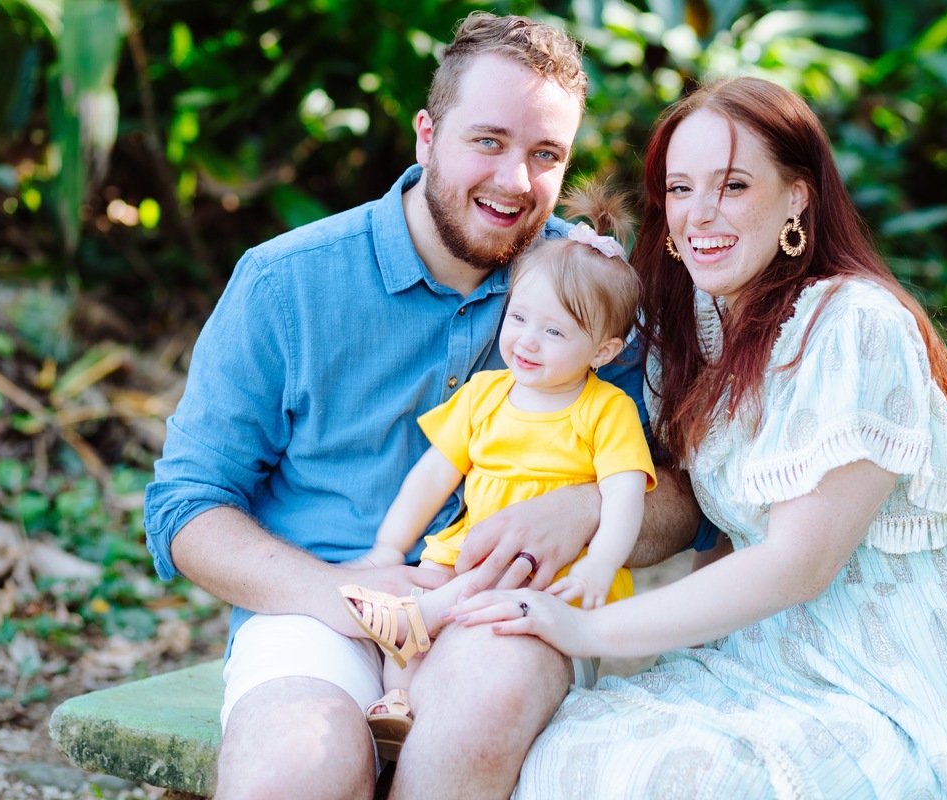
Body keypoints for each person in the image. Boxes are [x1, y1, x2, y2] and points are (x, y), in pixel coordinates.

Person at [142, 12, 703, 800]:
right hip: (318, 606)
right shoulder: (285, 283)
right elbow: (187, 506)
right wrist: (348, 596)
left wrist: (585, 510)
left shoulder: (592, 290)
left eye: (546, 155)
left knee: (480, 712)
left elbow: (688, 499)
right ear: (427, 137)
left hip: (507, 613)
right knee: (297, 767)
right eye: (488, 141)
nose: (516, 181)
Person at [450, 76, 947, 798]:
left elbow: (798, 563)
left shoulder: (855, 324)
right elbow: (724, 530)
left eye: (733, 185)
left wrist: (587, 630)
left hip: (882, 681)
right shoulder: (693, 330)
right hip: (751, 661)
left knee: (674, 780)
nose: (699, 214)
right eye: (680, 189)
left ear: (797, 197)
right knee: (567, 754)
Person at [341, 198, 656, 761]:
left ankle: (417, 626)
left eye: (554, 331)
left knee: (458, 608)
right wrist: (387, 547)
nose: (527, 341)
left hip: (547, 569)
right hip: (473, 545)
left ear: (604, 351)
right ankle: (398, 700)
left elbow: (624, 496)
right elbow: (433, 474)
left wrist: (602, 564)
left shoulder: (605, 410)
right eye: (519, 318)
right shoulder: (486, 393)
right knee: (423, 585)